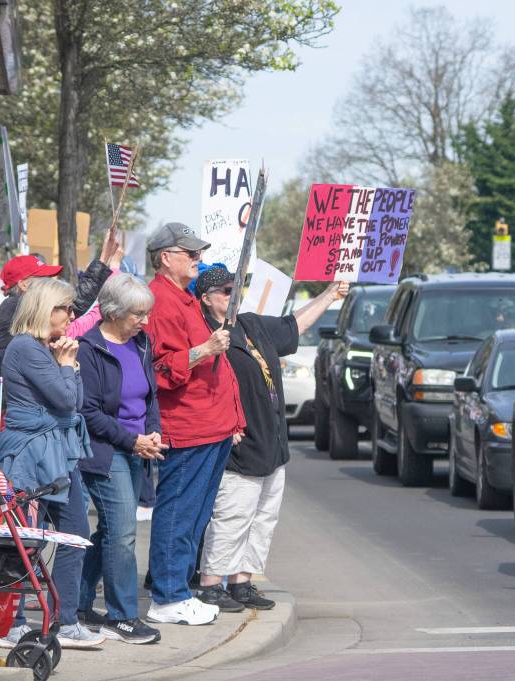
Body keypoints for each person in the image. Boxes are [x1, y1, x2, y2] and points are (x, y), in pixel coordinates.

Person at [194, 268, 348, 612]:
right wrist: (220, 424)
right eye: (225, 291)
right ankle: (210, 583)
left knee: (263, 517)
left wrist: (329, 294)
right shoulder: (206, 334)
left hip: (272, 441)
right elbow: (199, 385)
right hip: (239, 443)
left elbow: (294, 326)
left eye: (238, 288)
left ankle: (241, 582)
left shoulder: (250, 324)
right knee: (233, 514)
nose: (234, 295)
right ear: (206, 299)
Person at [0, 277, 104, 650]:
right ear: (45, 309)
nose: (72, 316)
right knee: (25, 540)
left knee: (75, 534)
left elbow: (74, 400)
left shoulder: (50, 348)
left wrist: (68, 365)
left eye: (74, 309)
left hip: (60, 452)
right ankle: (14, 622)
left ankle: (65, 618)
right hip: (31, 453)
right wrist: (68, 365)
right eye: (66, 309)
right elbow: (65, 397)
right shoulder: (25, 347)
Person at [144, 222, 244, 626]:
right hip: (188, 427)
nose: (198, 259)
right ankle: (167, 596)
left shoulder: (182, 299)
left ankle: (177, 591)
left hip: (210, 425)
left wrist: (233, 418)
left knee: (194, 516)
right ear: (167, 257)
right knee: (179, 514)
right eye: (191, 253)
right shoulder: (161, 301)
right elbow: (160, 369)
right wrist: (203, 349)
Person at [75, 274, 163, 644]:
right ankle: (122, 615)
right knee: (123, 533)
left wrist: (153, 432)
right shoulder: (89, 349)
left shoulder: (141, 342)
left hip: (138, 446)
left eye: (146, 313)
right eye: (137, 314)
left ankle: (76, 601)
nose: (144, 321)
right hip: (106, 450)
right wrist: (133, 440)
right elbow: (89, 412)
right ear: (112, 312)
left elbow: (149, 396)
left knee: (110, 530)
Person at [0, 226, 118, 377]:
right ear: (23, 285)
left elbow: (73, 306)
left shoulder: (19, 307)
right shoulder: (15, 305)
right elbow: (77, 303)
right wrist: (103, 259)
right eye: (43, 279)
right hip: (11, 397)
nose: (49, 284)